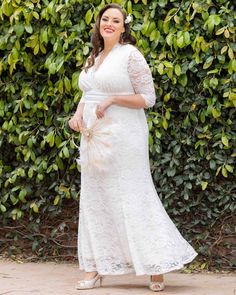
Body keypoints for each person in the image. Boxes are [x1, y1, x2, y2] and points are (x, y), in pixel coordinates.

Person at [69, 3, 197, 292]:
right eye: (105, 19)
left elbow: (147, 98)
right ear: (98, 24)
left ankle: (156, 266)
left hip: (125, 136)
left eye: (116, 20)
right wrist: (78, 114)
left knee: (133, 195)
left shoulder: (130, 55)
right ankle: (93, 268)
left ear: (124, 26)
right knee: (94, 200)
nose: (110, 24)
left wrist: (113, 99)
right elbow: (89, 93)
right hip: (94, 136)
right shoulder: (94, 56)